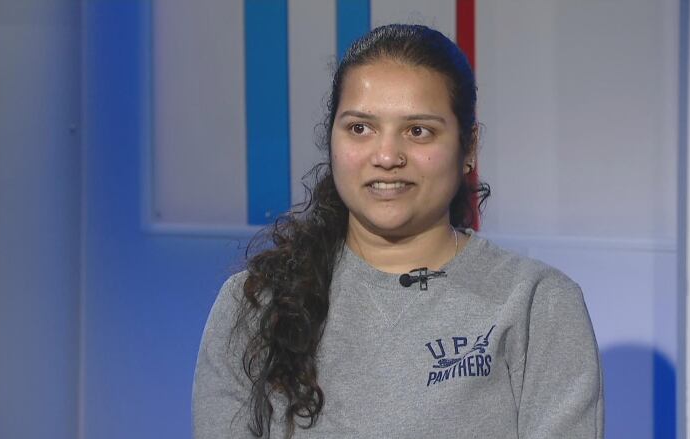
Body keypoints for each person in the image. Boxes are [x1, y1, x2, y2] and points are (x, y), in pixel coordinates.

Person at [192, 24, 603, 439]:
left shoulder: (537, 304)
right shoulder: (255, 304)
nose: (386, 156)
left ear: (469, 147)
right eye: (360, 128)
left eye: (418, 131)